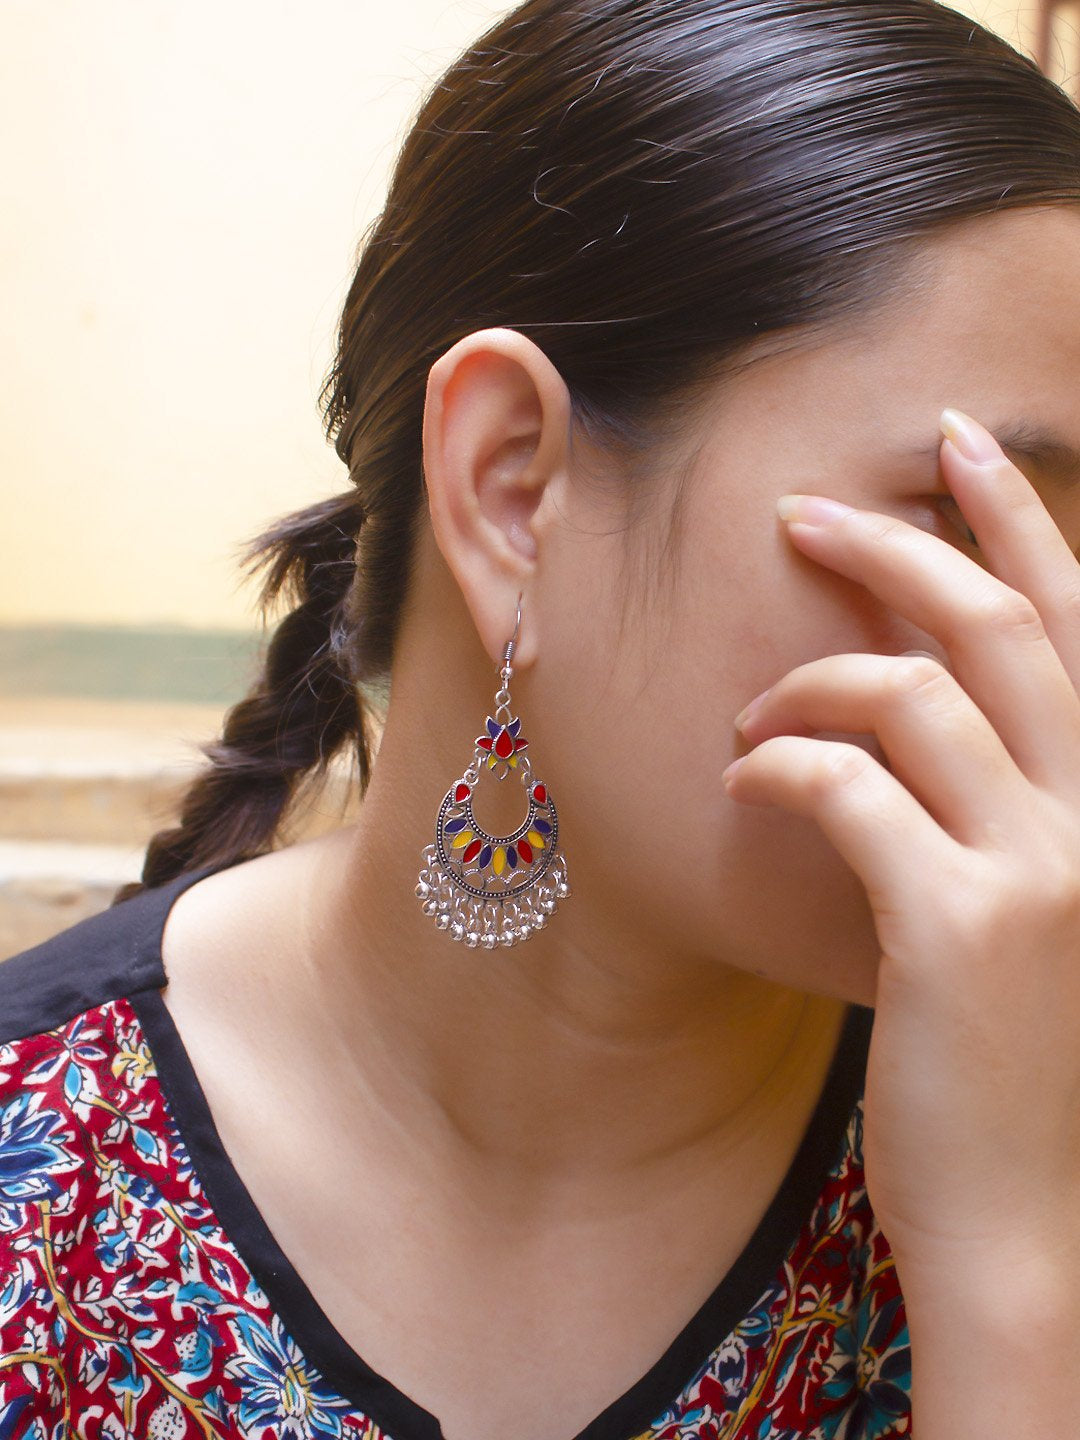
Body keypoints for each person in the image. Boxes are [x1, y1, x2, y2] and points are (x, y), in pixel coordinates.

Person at [3, 0, 1080, 1435]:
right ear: (515, 488)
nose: (1044, 651)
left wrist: (1014, 1271)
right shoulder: (38, 1186)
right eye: (965, 518)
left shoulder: (1046, 1145)